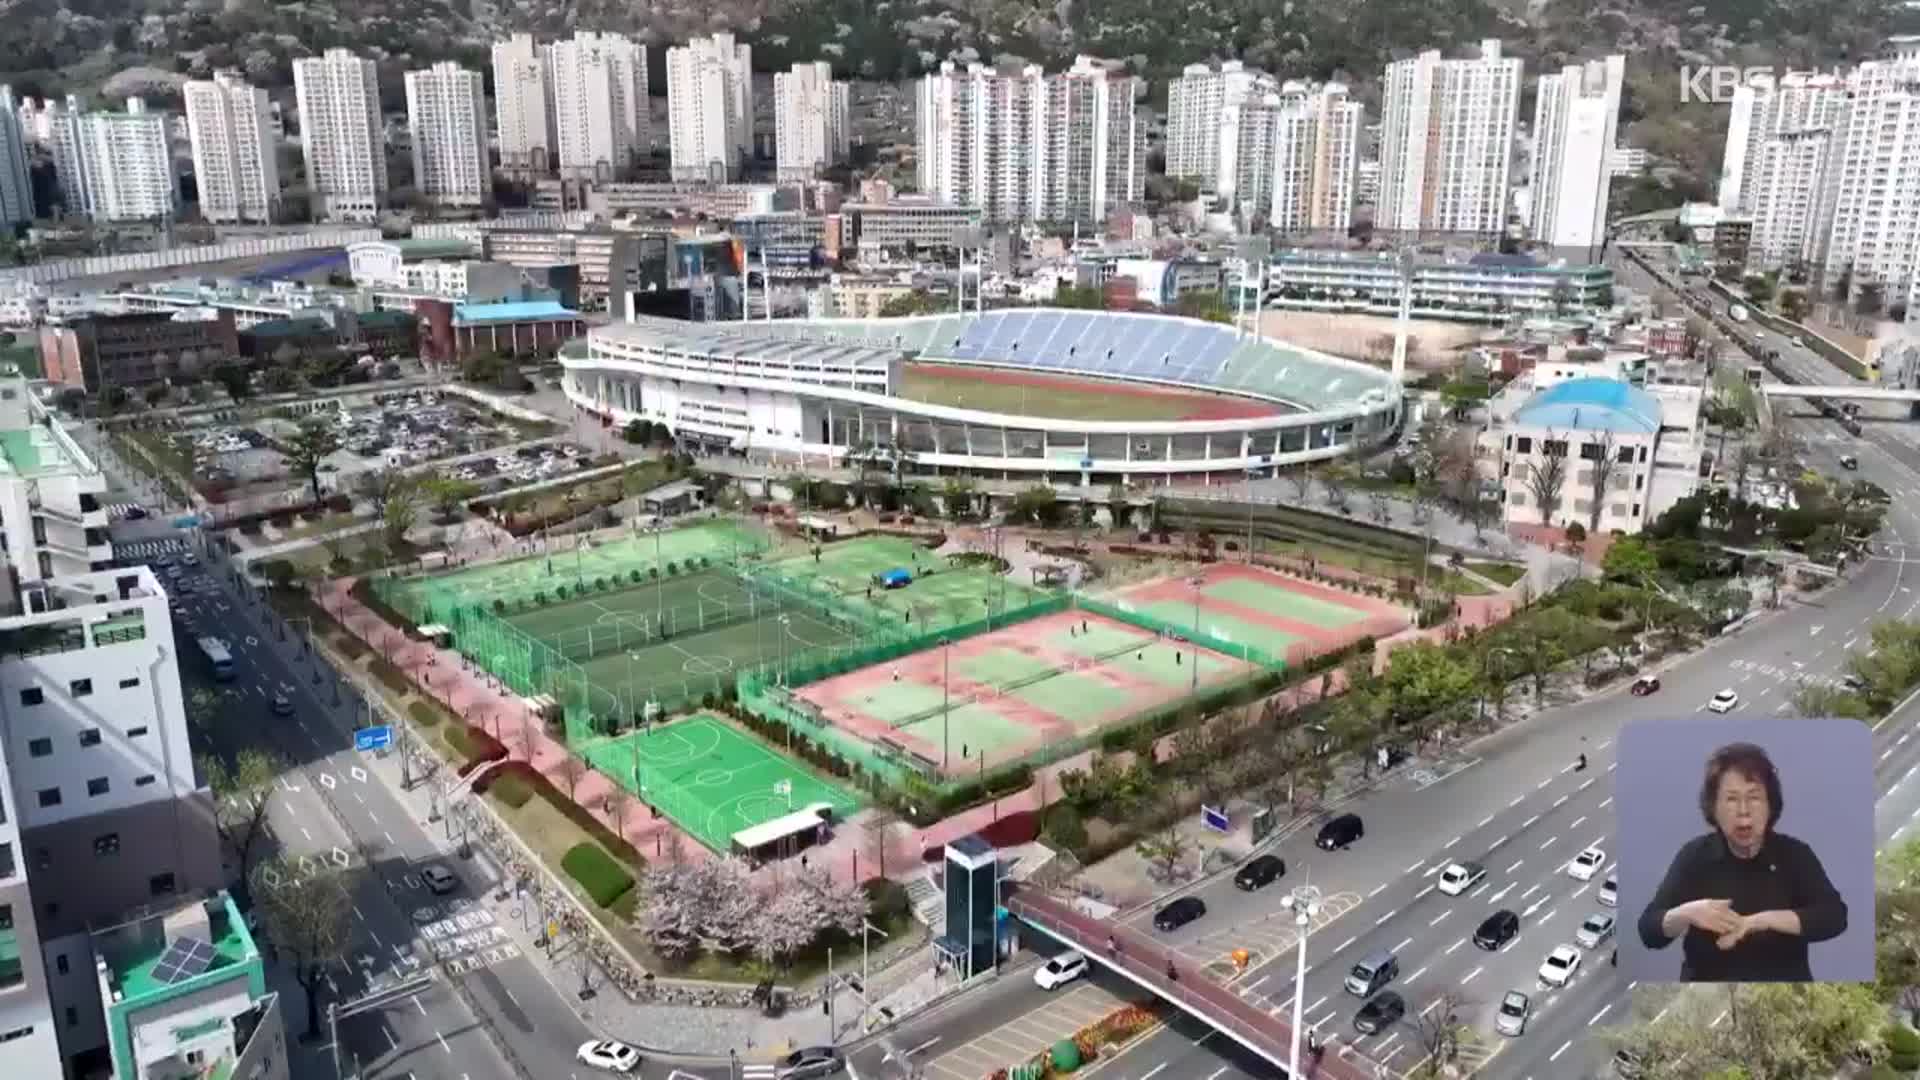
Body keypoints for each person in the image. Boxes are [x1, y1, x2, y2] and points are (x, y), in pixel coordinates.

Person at [1637, 741, 1846, 982]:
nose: (1743, 810)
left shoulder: (1794, 854)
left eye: (1754, 797)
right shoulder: (1695, 857)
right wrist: (1687, 913)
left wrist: (1759, 921)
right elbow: (1648, 932)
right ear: (1713, 808)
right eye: (1731, 799)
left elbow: (1834, 917)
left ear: (1770, 806)